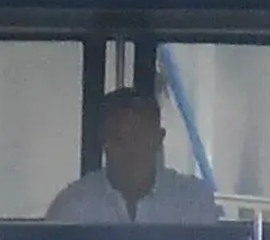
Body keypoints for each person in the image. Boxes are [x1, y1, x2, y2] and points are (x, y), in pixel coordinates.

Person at [43, 70, 224, 223]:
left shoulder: (194, 202)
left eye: (138, 137)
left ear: (159, 139)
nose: (129, 150)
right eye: (118, 139)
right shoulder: (72, 206)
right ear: (103, 141)